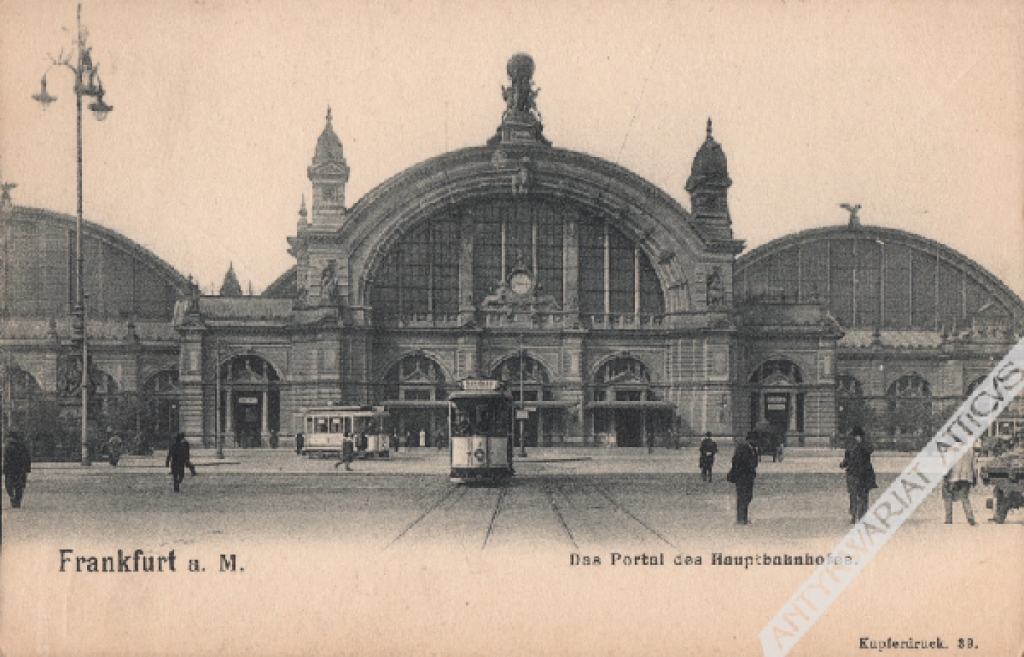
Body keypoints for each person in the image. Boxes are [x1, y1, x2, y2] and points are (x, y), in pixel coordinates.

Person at [840, 426, 876, 523]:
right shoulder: (851, 446)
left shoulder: (864, 444)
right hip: (856, 473)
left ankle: (861, 515)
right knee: (854, 494)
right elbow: (846, 459)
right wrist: (843, 464)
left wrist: (861, 443)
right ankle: (854, 514)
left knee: (862, 495)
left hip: (863, 473)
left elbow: (870, 450)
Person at [943, 443, 978, 526]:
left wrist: (945, 476)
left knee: (948, 496)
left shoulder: (951, 449)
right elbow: (974, 466)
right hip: (966, 477)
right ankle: (970, 518)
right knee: (965, 498)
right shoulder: (970, 449)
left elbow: (948, 465)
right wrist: (975, 478)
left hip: (953, 477)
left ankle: (948, 519)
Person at [727, 433, 758, 524]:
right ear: (749, 440)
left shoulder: (753, 449)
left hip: (749, 477)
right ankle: (741, 518)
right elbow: (736, 461)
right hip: (742, 477)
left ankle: (743, 517)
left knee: (748, 496)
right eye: (755, 440)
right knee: (742, 497)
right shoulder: (742, 448)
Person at [3, 432, 32, 508]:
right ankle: (17, 500)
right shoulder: (22, 447)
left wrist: (4, 469)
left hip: (11, 470)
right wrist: (27, 469)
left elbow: (6, 460)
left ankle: (13, 498)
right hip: (20, 469)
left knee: (10, 485)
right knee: (19, 486)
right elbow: (27, 458)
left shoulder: (8, 447)